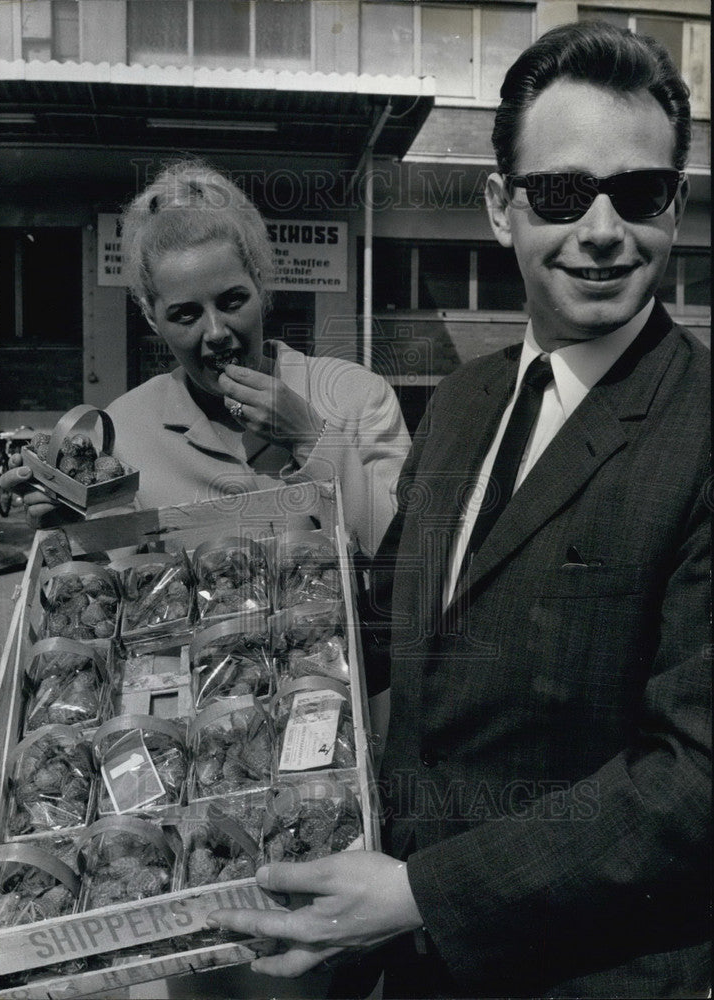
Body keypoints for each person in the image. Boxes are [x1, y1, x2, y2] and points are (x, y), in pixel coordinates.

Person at [206, 21, 711, 999]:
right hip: (410, 964)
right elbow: (386, 624)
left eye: (637, 193)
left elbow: (691, 782)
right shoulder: (465, 400)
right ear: (499, 207)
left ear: (675, 206)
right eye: (561, 192)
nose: (601, 229)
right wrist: (215, 638)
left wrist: (421, 894)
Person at [3, 159, 410, 560]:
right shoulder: (124, 430)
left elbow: (406, 564)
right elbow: (116, 593)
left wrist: (311, 441)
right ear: (151, 318)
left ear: (261, 285)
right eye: (186, 314)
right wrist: (67, 535)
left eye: (232, 300)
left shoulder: (356, 396)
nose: (216, 332)